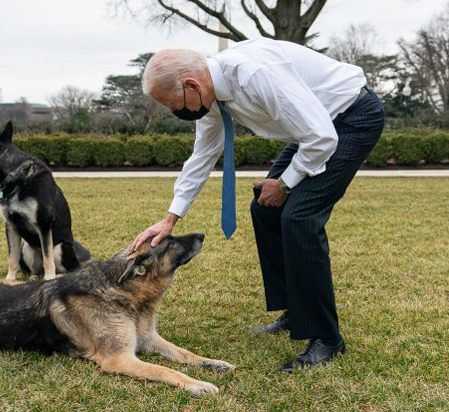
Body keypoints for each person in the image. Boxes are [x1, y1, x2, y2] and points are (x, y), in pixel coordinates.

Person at [131, 37, 384, 372]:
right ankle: (296, 311)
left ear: (191, 84)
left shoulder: (255, 75)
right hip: (314, 128)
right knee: (266, 209)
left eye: (173, 105)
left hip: (349, 119)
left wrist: (286, 183)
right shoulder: (211, 98)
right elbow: (203, 155)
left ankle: (327, 338)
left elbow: (323, 137)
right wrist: (170, 219)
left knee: (299, 218)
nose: (175, 112)